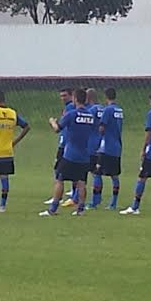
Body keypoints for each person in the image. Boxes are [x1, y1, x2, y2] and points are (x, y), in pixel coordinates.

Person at [40, 88, 94, 217]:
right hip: (84, 154)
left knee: (60, 179)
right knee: (81, 182)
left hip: (70, 154)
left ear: (75, 99)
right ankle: (80, 209)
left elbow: (58, 129)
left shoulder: (72, 114)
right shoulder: (90, 116)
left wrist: (52, 122)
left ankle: (53, 209)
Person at [91, 87, 123, 210]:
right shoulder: (119, 110)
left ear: (106, 97)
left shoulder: (107, 110)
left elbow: (102, 127)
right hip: (117, 146)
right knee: (114, 176)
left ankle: (95, 202)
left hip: (106, 146)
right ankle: (113, 203)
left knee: (97, 173)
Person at [44, 88, 76, 205]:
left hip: (65, 143)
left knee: (59, 171)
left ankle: (58, 197)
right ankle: (72, 194)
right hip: (66, 142)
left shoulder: (71, 108)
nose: (63, 98)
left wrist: (53, 122)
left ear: (71, 95)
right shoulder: (70, 107)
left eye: (65, 95)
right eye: (61, 96)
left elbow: (58, 128)